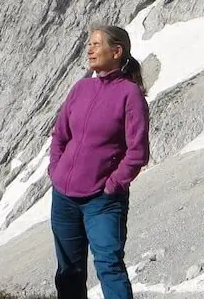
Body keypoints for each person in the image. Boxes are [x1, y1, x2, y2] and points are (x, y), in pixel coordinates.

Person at [47, 24, 151, 299]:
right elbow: (60, 134)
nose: (89, 49)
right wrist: (55, 170)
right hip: (64, 198)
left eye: (96, 44)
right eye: (89, 44)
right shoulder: (81, 87)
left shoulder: (130, 95)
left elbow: (137, 152)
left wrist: (113, 184)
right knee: (68, 271)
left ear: (116, 52)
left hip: (102, 201)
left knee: (109, 266)